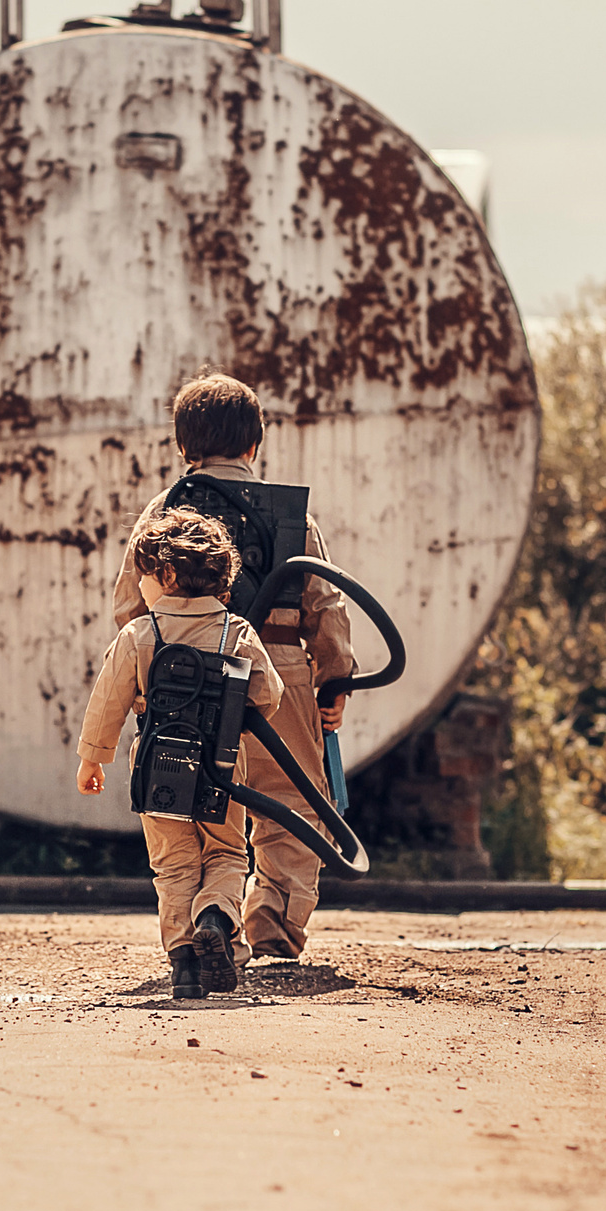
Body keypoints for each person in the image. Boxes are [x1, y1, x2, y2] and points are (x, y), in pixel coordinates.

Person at [110, 374, 356, 963]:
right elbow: (326, 602)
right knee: (293, 801)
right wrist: (335, 678)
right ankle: (273, 924)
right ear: (255, 445)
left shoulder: (164, 511)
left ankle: (202, 924)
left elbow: (128, 608)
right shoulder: (292, 516)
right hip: (278, 669)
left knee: (190, 808)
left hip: (186, 679)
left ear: (183, 448)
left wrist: (145, 682)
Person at [78, 507, 283, 999]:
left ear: (166, 575)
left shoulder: (139, 635)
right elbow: (269, 696)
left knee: (173, 865)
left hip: (157, 769)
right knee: (228, 853)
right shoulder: (237, 632)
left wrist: (93, 758)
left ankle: (185, 968)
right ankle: (215, 916)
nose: (143, 584)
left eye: (146, 574)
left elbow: (108, 701)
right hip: (223, 769)